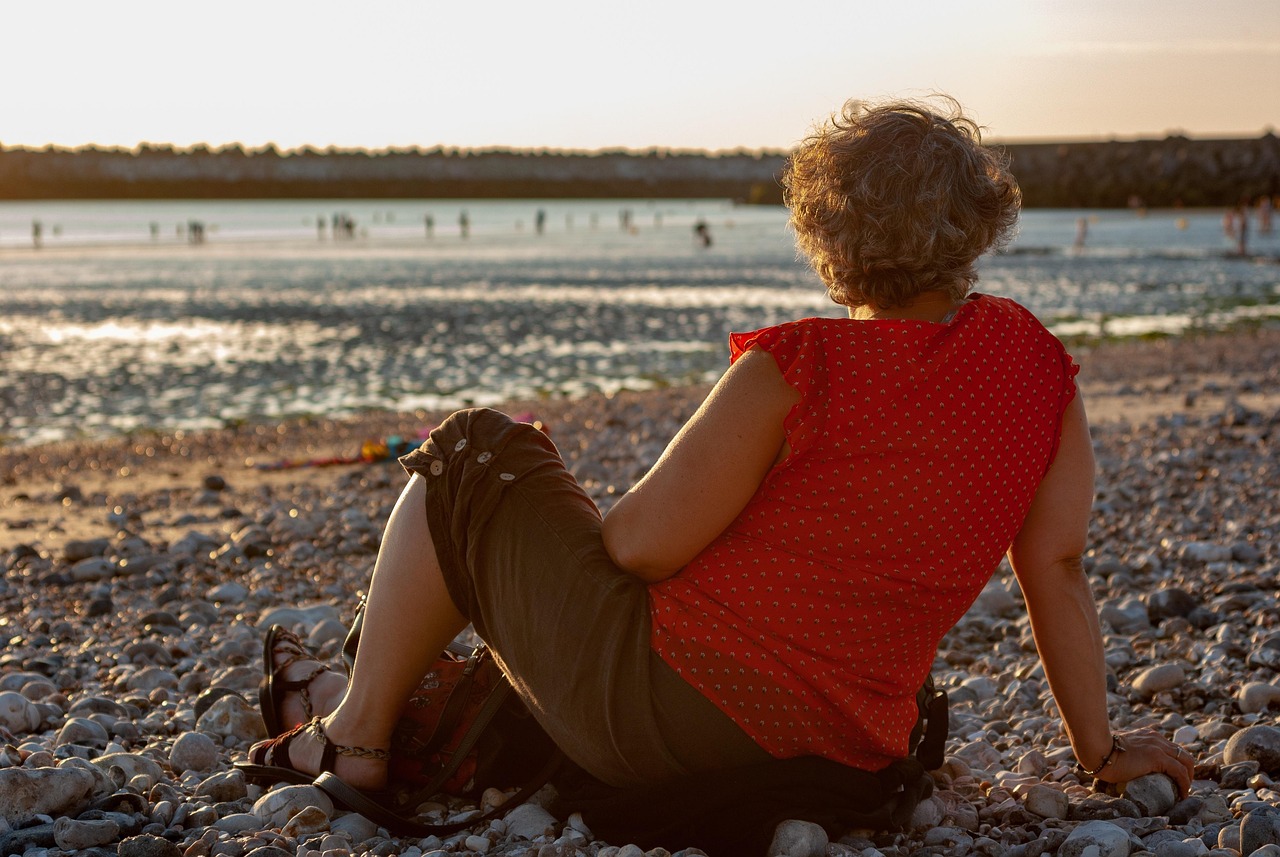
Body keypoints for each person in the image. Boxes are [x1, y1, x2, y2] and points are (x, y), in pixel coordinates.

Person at [245, 97, 1194, 827]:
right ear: (979, 222)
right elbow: (1057, 568)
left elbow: (641, 550)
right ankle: (342, 693)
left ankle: (353, 741)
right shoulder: (1037, 364)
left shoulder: (801, 367)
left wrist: (575, 518)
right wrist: (1100, 748)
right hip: (851, 754)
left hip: (680, 724)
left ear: (829, 235)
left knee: (470, 450)